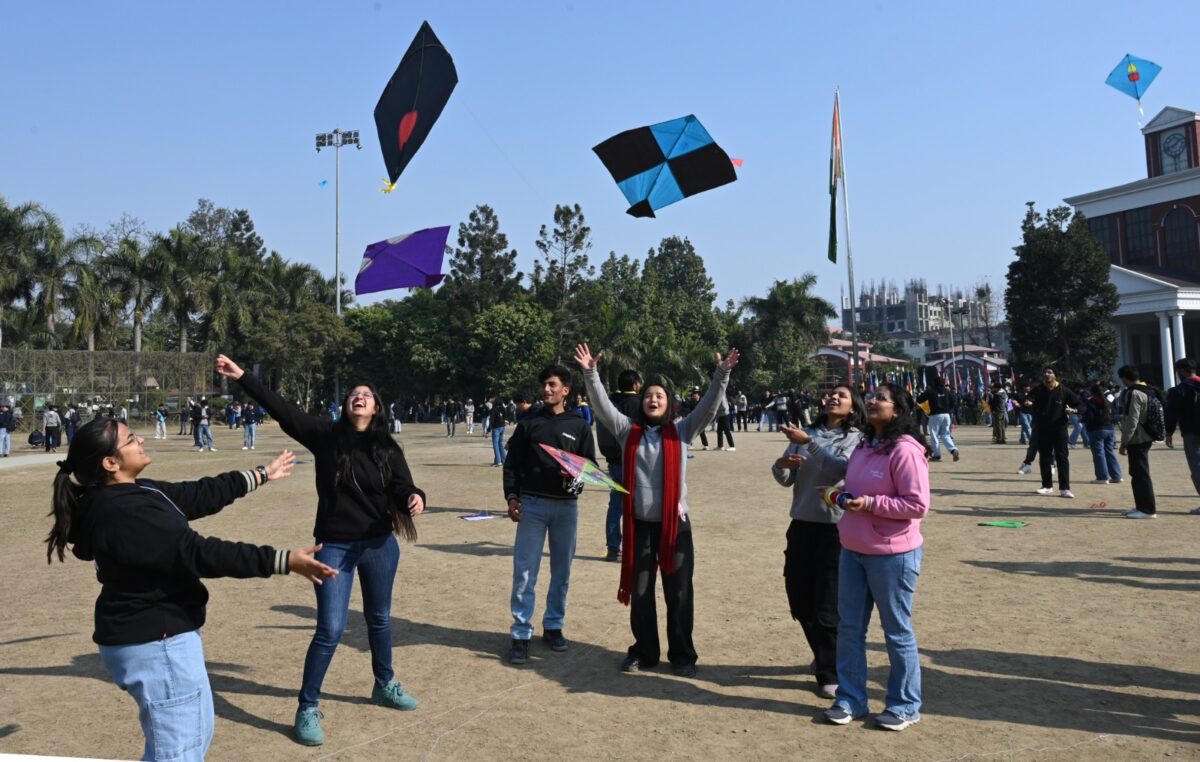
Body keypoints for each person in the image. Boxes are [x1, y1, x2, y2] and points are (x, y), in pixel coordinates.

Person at [45, 417, 336, 760]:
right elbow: (196, 552)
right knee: (179, 752)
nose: (140, 440)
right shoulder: (125, 511)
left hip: (155, 639)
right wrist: (282, 560)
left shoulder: (133, 492)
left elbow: (196, 495)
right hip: (157, 644)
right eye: (130, 439)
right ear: (110, 463)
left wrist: (260, 475)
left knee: (183, 743)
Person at [215, 355, 427, 746]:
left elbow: (402, 486)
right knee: (330, 628)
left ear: (376, 406)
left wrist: (415, 497)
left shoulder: (387, 446)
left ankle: (385, 684)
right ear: (345, 406)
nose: (359, 397)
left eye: (366, 395)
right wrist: (243, 376)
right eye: (353, 394)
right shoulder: (326, 436)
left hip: (380, 546)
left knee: (379, 619)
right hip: (335, 548)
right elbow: (283, 409)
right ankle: (307, 706)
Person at [578, 342, 740, 677]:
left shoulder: (681, 431)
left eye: (660, 396)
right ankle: (645, 652)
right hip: (639, 527)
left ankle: (682, 655)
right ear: (641, 400)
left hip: (674, 527)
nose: (653, 399)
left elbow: (709, 408)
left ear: (669, 404)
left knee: (679, 592)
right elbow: (602, 406)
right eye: (649, 395)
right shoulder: (628, 432)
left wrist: (721, 374)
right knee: (640, 593)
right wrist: (591, 373)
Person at [823, 383, 930, 732]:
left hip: (892, 556)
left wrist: (868, 504)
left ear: (897, 409)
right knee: (850, 628)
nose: (872, 401)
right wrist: (841, 497)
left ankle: (904, 705)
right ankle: (851, 699)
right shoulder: (865, 446)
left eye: (881, 398)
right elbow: (861, 490)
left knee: (896, 632)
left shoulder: (905, 450)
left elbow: (916, 505)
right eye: (871, 396)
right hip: (853, 551)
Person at [772, 386, 866, 699]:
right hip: (801, 524)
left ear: (853, 407)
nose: (833, 398)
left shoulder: (855, 438)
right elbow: (787, 480)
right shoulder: (805, 432)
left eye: (841, 395)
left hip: (835, 529)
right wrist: (781, 467)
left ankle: (829, 672)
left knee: (827, 606)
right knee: (799, 601)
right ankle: (826, 654)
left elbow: (838, 469)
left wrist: (809, 443)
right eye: (830, 395)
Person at [502, 365, 596, 665]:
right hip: (532, 505)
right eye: (544, 384)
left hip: (566, 508)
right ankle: (520, 634)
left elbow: (589, 468)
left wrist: (575, 480)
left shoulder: (579, 425)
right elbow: (512, 463)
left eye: (553, 385)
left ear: (565, 390)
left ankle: (554, 626)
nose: (547, 389)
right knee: (525, 573)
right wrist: (512, 496)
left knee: (562, 572)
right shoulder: (529, 423)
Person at [596, 369, 643, 562]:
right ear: (634, 384)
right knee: (637, 505)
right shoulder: (639, 405)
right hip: (635, 460)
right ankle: (634, 547)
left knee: (615, 504)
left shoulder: (610, 403)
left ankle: (613, 548)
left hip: (614, 459)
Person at [1025, 367, 1078, 498]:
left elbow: (1080, 404)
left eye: (1050, 372)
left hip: (1059, 429)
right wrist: (1027, 402)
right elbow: (1028, 399)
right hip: (1042, 429)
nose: (1047, 374)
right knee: (1044, 458)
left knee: (1062, 458)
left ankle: (1065, 488)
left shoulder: (1064, 390)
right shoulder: (1038, 389)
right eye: (1045, 372)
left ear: (1055, 375)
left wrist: (1073, 410)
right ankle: (1047, 486)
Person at [1117, 365, 1158, 519]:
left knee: (1140, 473)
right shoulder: (1148, 390)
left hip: (1137, 438)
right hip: (1147, 436)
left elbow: (1131, 419)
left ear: (1125, 378)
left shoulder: (1134, 393)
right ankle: (1141, 506)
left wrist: (1124, 442)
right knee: (1138, 472)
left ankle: (1147, 509)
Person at [1165, 357, 1200, 515]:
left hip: (1191, 432)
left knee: (1196, 465)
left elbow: (1172, 413)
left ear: (1182, 371)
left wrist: (1169, 432)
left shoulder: (1178, 390)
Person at [1082, 384, 1121, 484]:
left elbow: (1089, 417)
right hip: (1110, 429)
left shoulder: (1090, 402)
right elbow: (1115, 414)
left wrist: (1083, 419)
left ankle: (1102, 477)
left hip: (1096, 429)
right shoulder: (1108, 401)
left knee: (1099, 454)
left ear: (1092, 392)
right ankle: (1116, 476)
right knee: (1110, 452)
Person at [917, 378, 958, 462]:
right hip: (946, 415)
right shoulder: (947, 391)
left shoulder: (931, 391)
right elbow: (954, 400)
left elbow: (919, 399)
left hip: (935, 415)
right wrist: (948, 409)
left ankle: (937, 455)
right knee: (945, 434)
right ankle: (953, 450)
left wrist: (922, 393)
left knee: (934, 435)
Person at [487, 395, 509, 466]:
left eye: (494, 399)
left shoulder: (494, 409)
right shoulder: (502, 408)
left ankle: (498, 461)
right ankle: (504, 460)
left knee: (495, 445)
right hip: (502, 427)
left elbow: (491, 420)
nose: (492, 399)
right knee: (500, 444)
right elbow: (506, 416)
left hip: (496, 428)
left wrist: (488, 430)